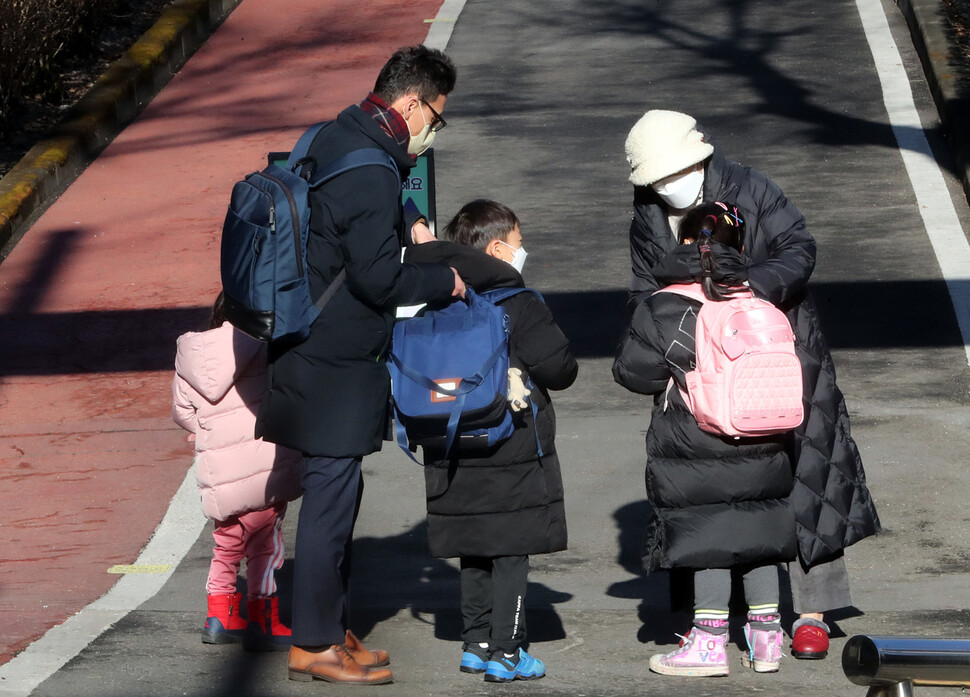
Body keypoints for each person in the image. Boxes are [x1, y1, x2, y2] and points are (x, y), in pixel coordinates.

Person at [621, 110, 880, 659]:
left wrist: (752, 285)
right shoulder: (647, 215)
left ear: (700, 158)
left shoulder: (751, 187)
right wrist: (659, 333)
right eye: (658, 180)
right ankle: (729, 611)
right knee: (718, 480)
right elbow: (643, 285)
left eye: (676, 172)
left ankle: (812, 612)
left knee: (811, 469)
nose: (669, 185)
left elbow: (799, 249)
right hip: (700, 361)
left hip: (778, 347)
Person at [255, 45, 466, 685]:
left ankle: (333, 626)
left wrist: (413, 219)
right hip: (336, 357)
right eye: (437, 115)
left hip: (302, 340)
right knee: (330, 500)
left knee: (338, 495)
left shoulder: (334, 133)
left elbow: (349, 211)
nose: (434, 128)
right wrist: (444, 282)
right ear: (410, 103)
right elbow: (378, 281)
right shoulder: (373, 170)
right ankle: (314, 643)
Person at [613, 203, 796, 676]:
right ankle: (767, 637)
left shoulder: (664, 305)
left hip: (697, 435)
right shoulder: (756, 299)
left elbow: (634, 374)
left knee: (710, 535)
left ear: (685, 243)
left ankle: (710, 642)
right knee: (759, 533)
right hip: (766, 430)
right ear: (738, 247)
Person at [404, 199, 578, 682]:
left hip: (451, 442)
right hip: (512, 445)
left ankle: (476, 642)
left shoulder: (435, 300)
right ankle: (508, 650)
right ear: (498, 249)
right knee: (510, 548)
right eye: (519, 243)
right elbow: (560, 370)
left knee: (473, 542)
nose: (524, 252)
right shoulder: (519, 304)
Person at [171, 293, 303, 652]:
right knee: (264, 547)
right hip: (263, 468)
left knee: (226, 546)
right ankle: (264, 615)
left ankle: (220, 615)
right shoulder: (265, 347)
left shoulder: (192, 355)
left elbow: (184, 414)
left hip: (221, 475)